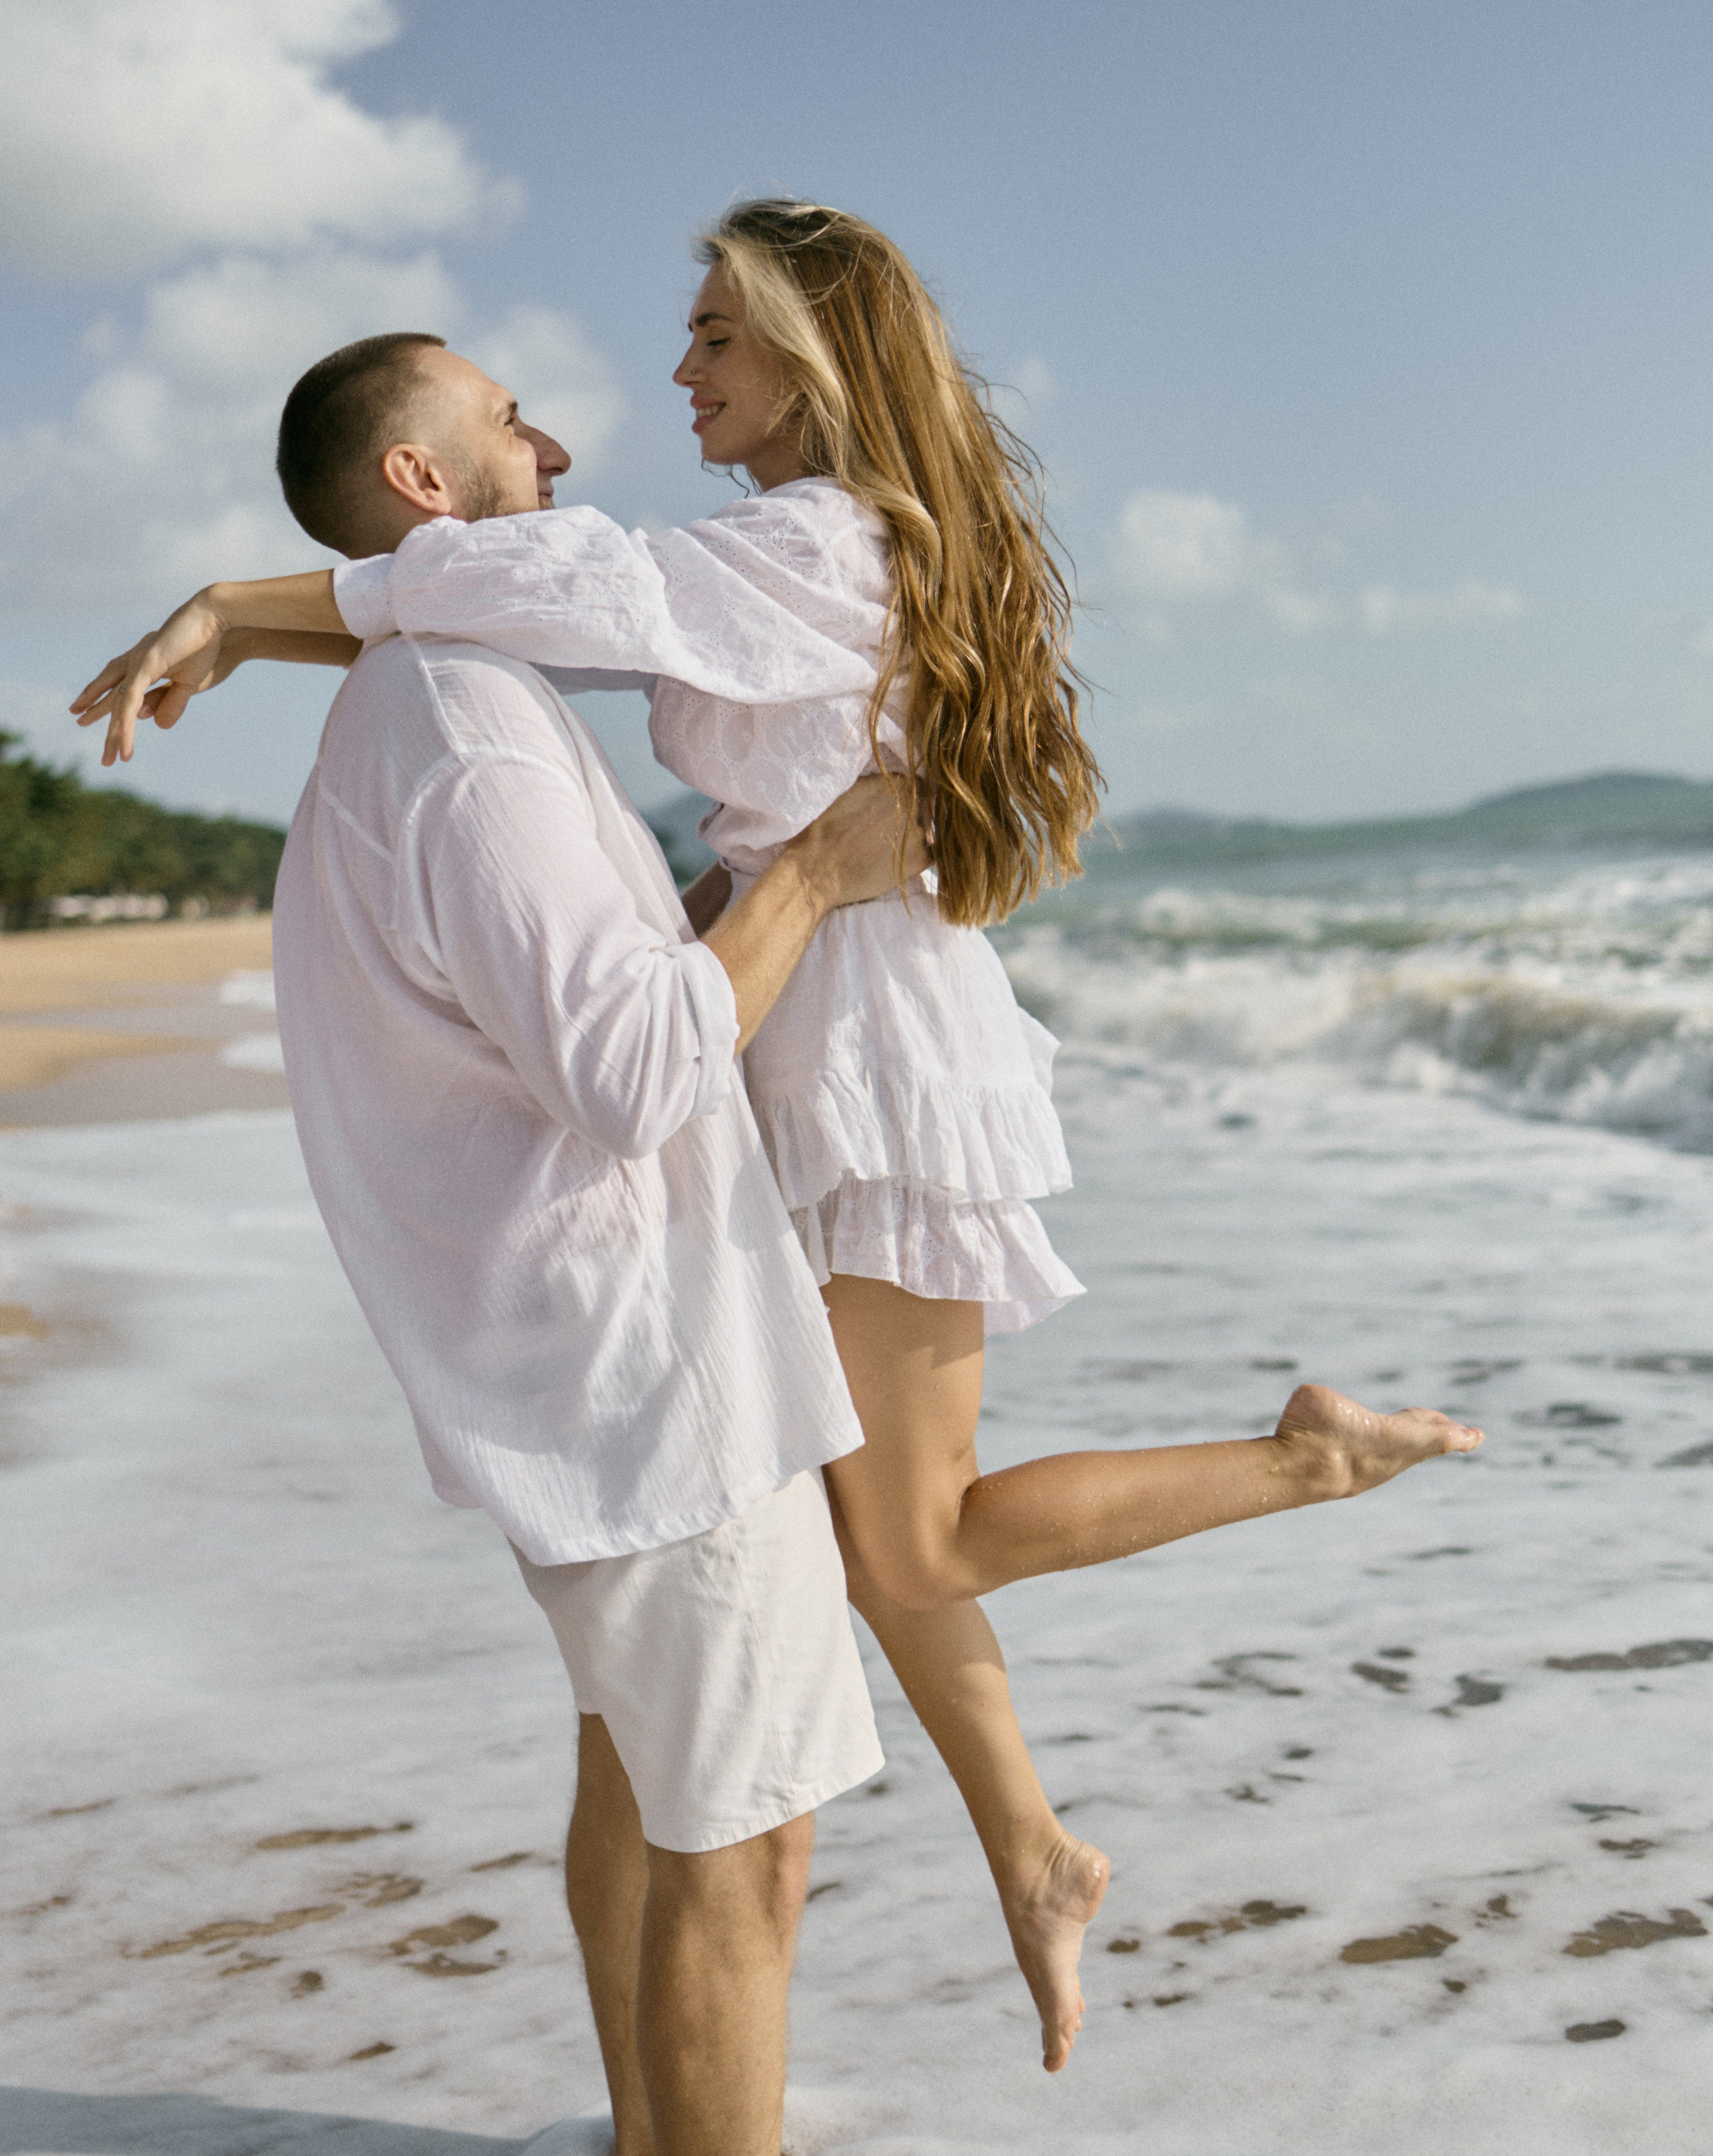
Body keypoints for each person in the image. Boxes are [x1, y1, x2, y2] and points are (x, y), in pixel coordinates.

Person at [75, 206, 1485, 2079]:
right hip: (787, 1018)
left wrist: (234, 611)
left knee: (902, 1542)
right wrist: (240, 616)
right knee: (731, 1628)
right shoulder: (786, 552)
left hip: (869, 1048)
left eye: (718, 336)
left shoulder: (809, 548)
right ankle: (1014, 1862)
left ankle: (1291, 1480)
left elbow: (491, 587)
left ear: (815, 360)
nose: (679, 374)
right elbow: (472, 595)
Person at [78, 330, 934, 2156]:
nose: (553, 439)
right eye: (503, 417)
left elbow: (566, 1000)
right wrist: (818, 875)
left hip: (583, 1365)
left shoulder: (433, 712)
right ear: (423, 486)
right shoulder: (462, 731)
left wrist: (713, 894)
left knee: (644, 1778)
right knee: (746, 1847)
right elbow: (631, 1071)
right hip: (653, 1373)